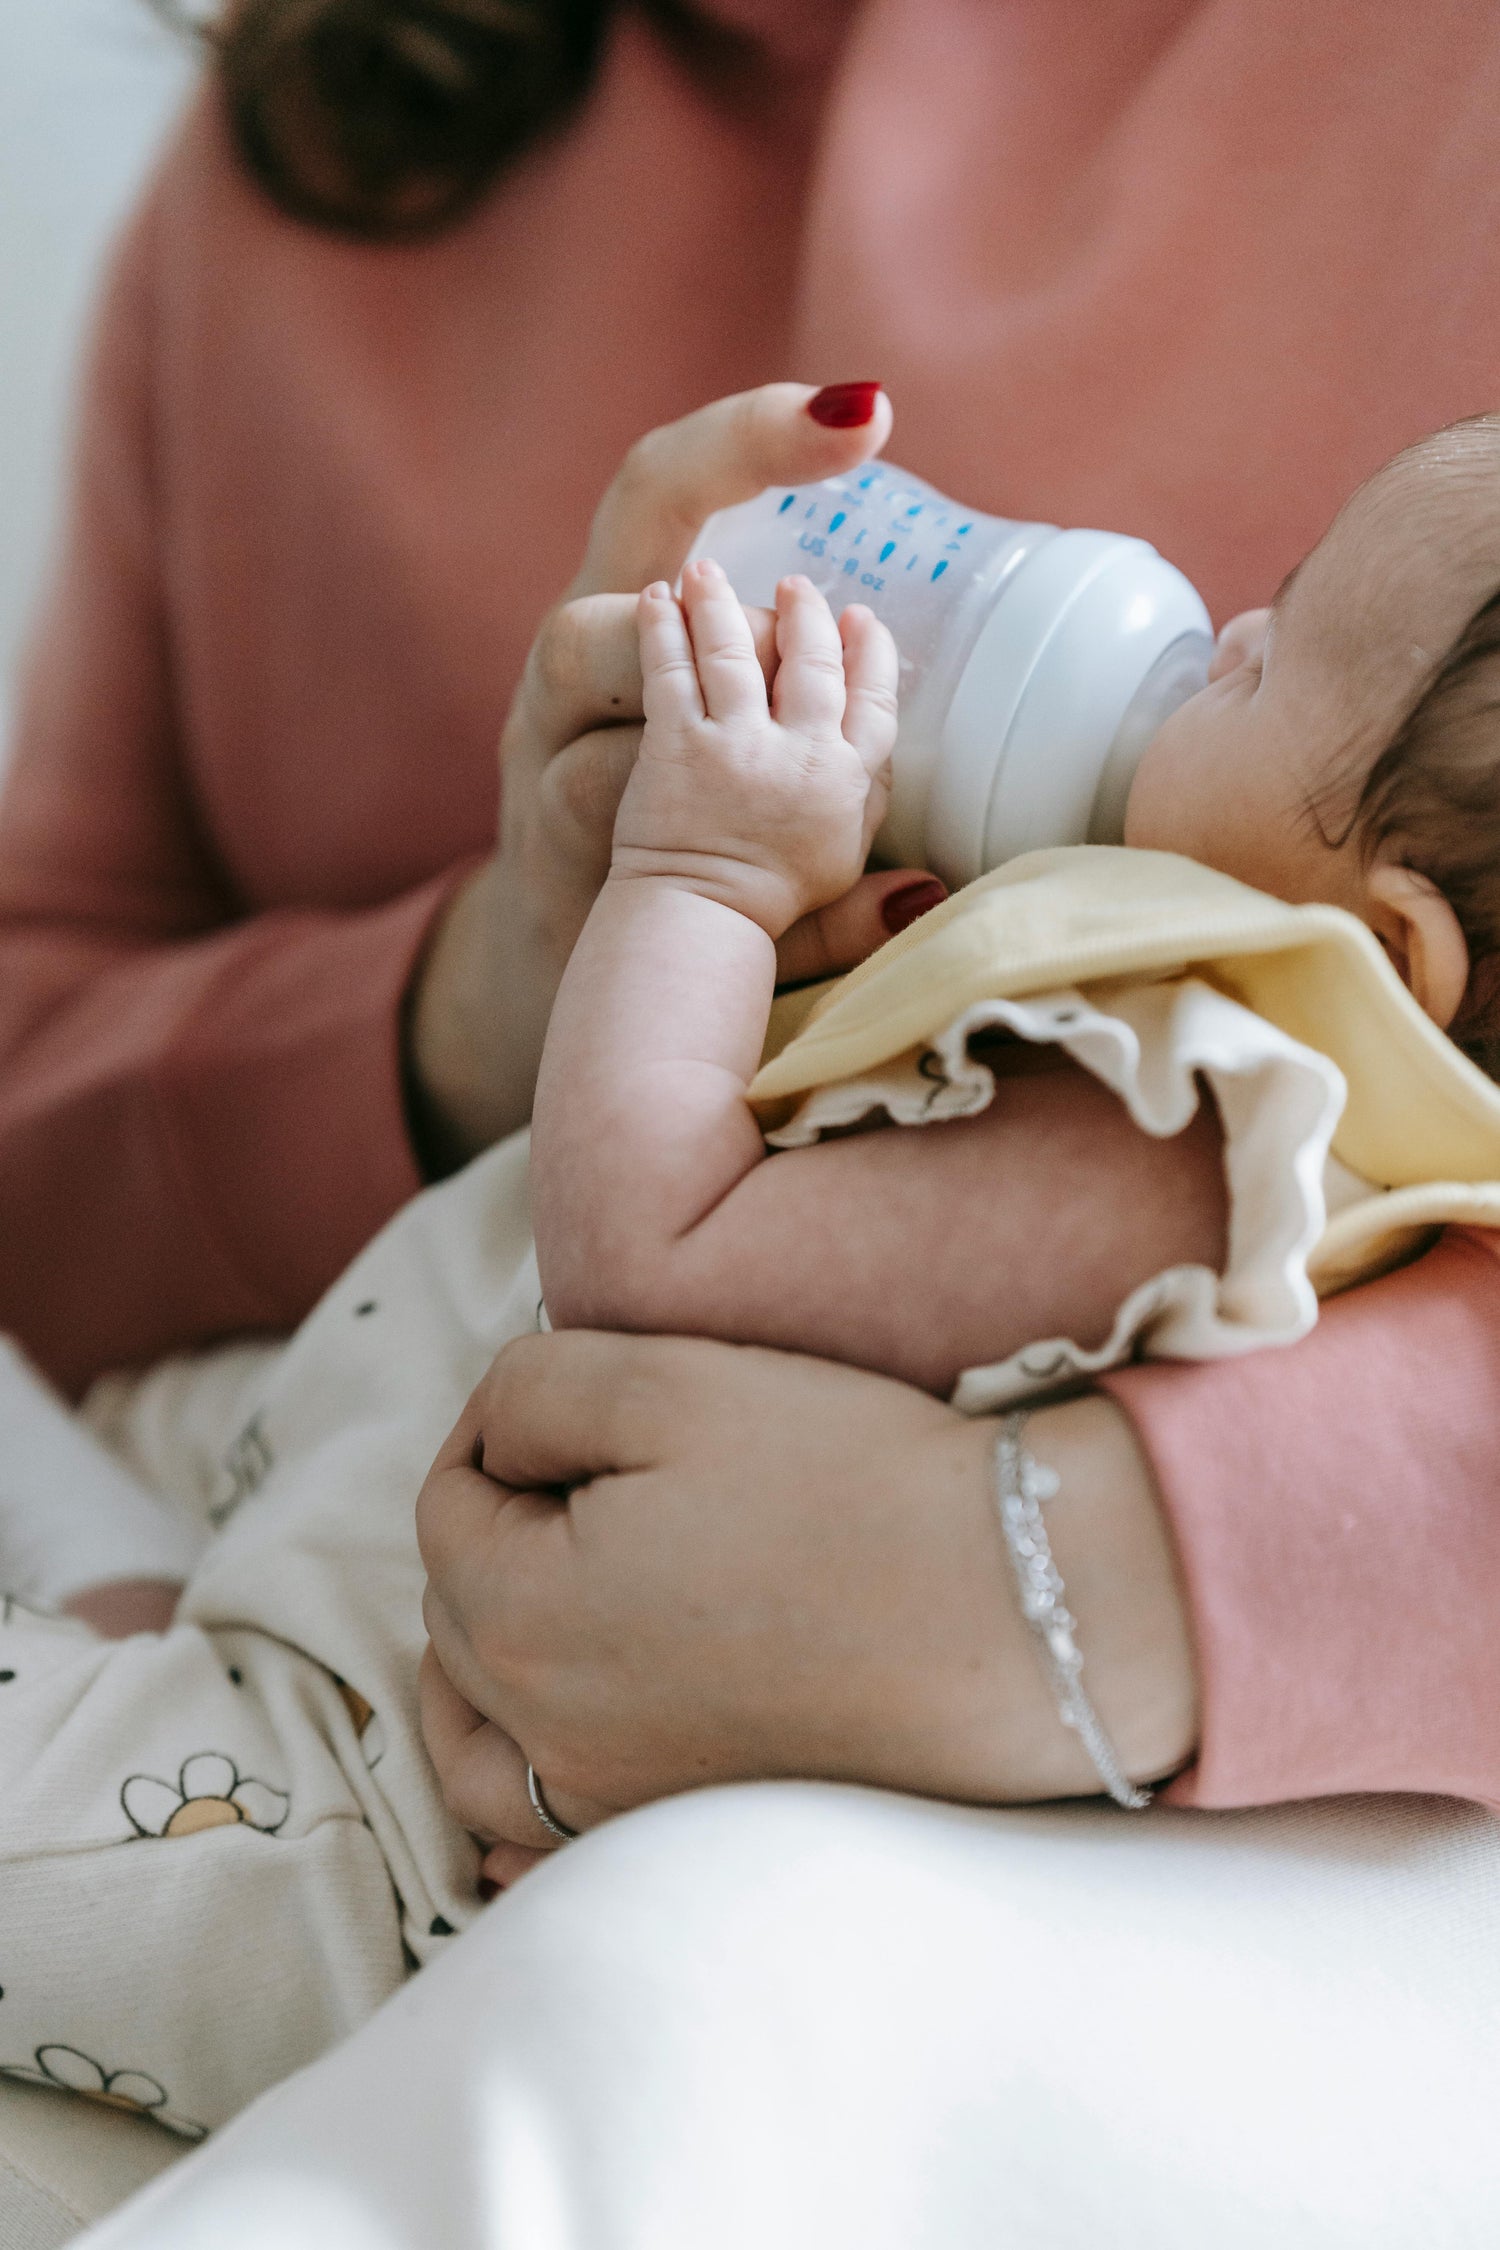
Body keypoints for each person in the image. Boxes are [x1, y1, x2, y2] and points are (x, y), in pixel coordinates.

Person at [3, 0, 1500, 2235]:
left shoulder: (1188, 1078)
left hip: (466, 1780)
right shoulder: (331, 134)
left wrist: (1104, 1579)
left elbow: (658, 1253)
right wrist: (495, 989)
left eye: (1271, 658)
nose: (1221, 615)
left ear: (1386, 964)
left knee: (654, 2005)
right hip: (347, 1454)